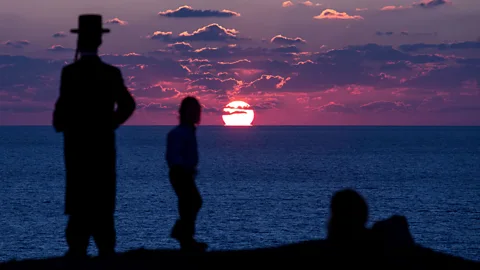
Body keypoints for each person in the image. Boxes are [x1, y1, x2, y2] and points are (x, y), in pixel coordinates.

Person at [52, 14, 136, 258]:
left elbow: (61, 112)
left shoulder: (70, 73)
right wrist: (109, 125)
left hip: (77, 149)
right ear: (99, 40)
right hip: (101, 149)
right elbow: (128, 105)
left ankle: (78, 251)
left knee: (80, 203)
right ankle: (104, 252)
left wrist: (68, 126)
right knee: (102, 204)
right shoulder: (110, 73)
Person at [166, 96, 208, 251]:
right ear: (184, 113)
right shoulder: (178, 133)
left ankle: (186, 238)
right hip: (179, 173)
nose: (196, 114)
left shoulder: (189, 131)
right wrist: (182, 168)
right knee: (192, 202)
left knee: (190, 204)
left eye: (197, 111)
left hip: (185, 173)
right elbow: (173, 156)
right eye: (192, 111)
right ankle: (183, 235)